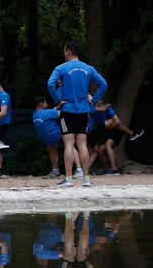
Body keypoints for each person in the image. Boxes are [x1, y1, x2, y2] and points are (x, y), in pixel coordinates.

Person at [47, 41, 108, 187]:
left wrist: (58, 101)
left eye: (64, 51)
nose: (64, 54)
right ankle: (86, 178)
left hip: (67, 110)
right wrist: (94, 100)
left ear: (68, 51)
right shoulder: (88, 68)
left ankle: (68, 179)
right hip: (84, 111)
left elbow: (50, 84)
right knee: (82, 144)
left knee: (69, 143)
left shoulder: (61, 68)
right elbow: (103, 84)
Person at [33, 96, 82, 179]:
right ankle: (76, 170)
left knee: (65, 147)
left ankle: (78, 170)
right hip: (56, 135)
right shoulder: (48, 112)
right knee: (69, 146)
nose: (47, 104)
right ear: (42, 104)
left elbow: (52, 111)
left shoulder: (35, 115)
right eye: (45, 103)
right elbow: (63, 114)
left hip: (51, 137)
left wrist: (59, 106)